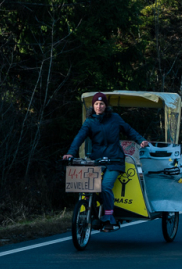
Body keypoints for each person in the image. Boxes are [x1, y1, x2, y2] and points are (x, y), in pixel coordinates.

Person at [62, 93, 150, 230]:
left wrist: (141, 140)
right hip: (97, 160)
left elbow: (128, 130)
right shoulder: (90, 121)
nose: (99, 106)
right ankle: (91, 211)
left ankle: (109, 216)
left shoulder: (115, 118)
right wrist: (70, 153)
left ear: (106, 106)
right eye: (96, 104)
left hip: (115, 160)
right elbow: (79, 137)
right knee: (88, 186)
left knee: (105, 186)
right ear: (93, 106)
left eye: (102, 104)